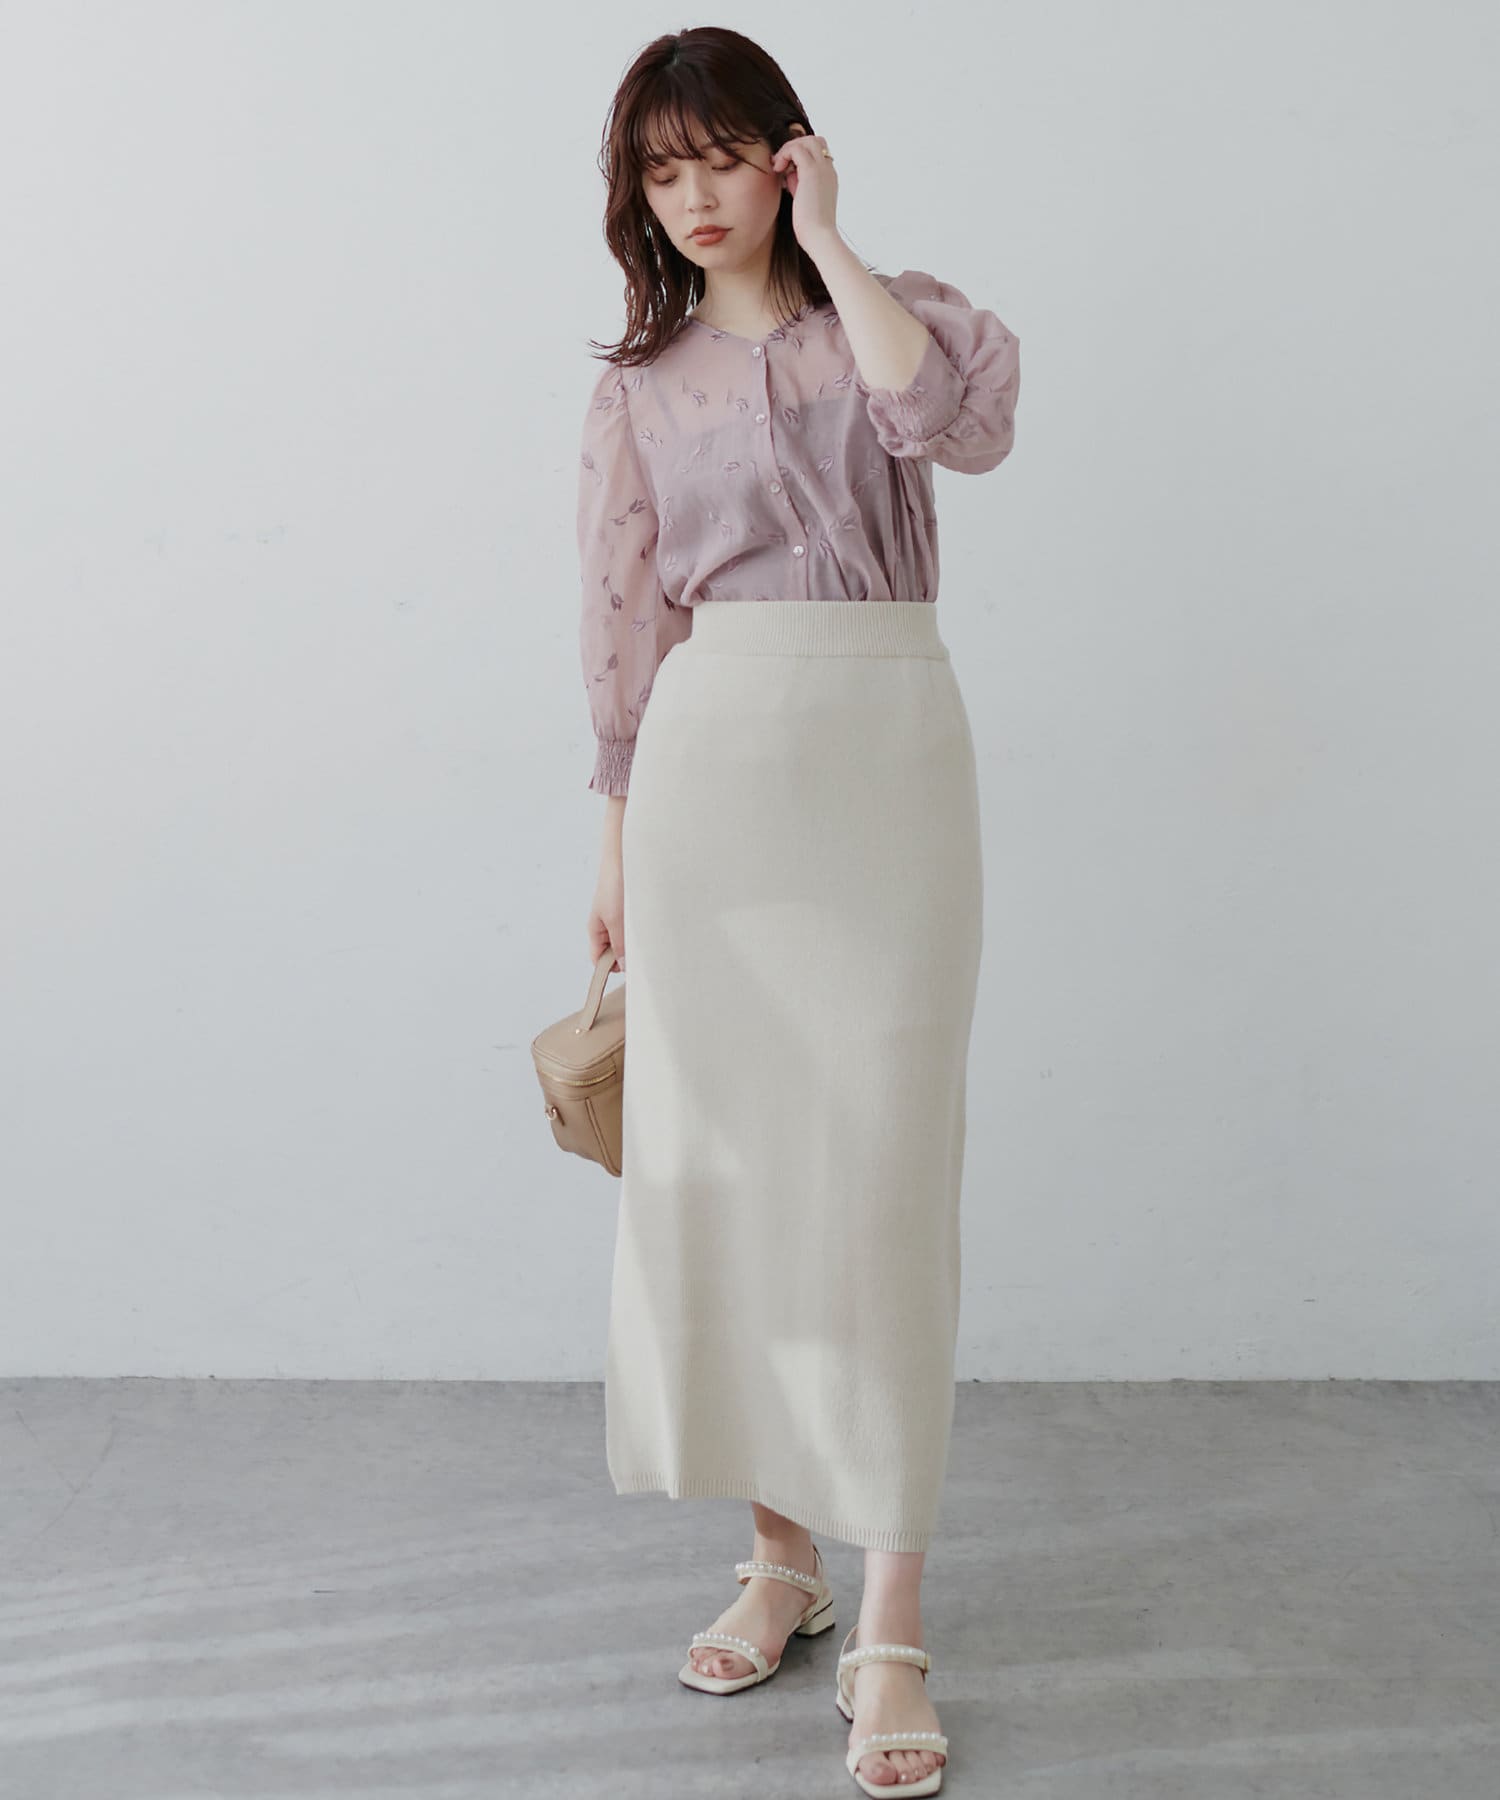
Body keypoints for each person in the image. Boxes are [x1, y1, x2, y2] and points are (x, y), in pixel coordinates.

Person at [576, 27, 1019, 1797]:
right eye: (659, 170)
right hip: (712, 783)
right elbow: (623, 623)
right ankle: (783, 1559)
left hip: (889, 756)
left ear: (784, 153)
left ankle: (894, 1606)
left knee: (885, 1178)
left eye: (720, 158)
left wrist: (831, 236)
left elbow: (962, 430)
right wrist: (613, 845)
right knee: (732, 1171)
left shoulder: (895, 319)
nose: (692, 197)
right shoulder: (638, 388)